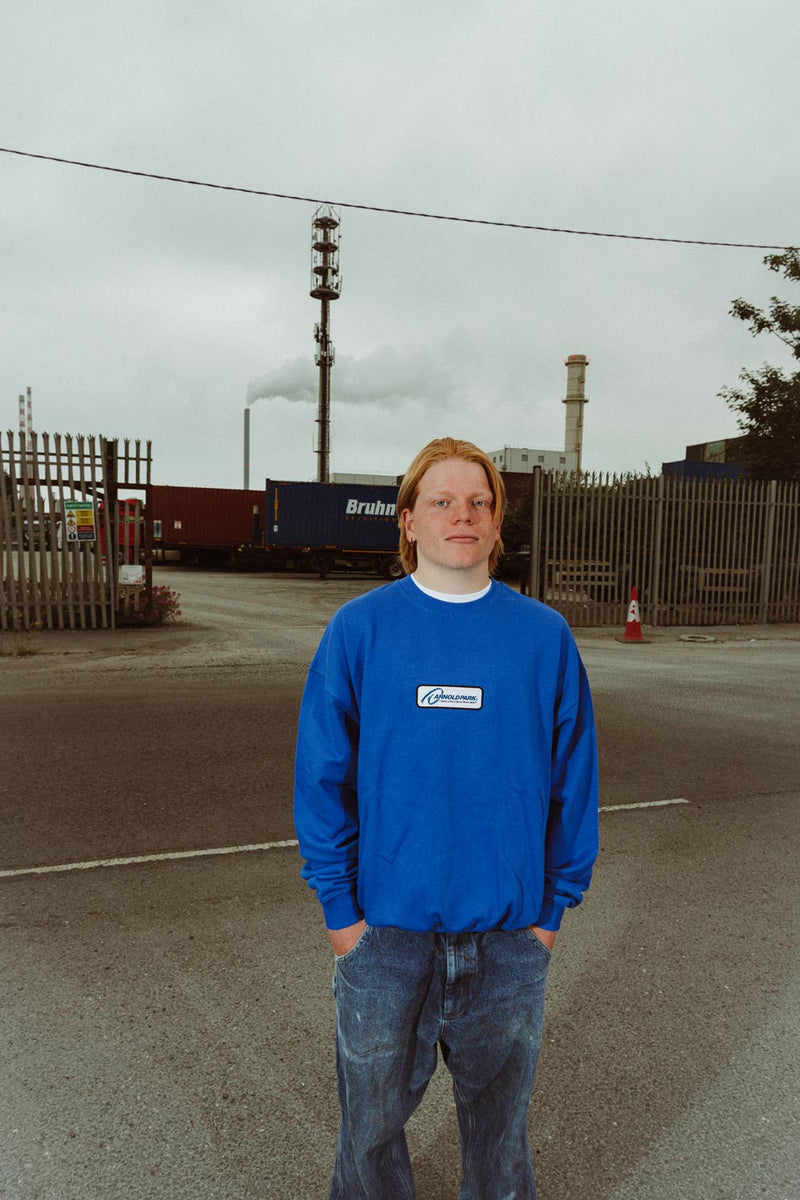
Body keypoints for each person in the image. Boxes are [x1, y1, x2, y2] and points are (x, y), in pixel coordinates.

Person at [294, 436, 599, 1199]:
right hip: (385, 939)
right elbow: (321, 777)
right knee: (368, 1138)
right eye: (441, 500)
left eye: (479, 502)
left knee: (499, 1147)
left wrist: (552, 911)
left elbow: (575, 782)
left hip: (510, 940)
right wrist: (343, 917)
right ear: (408, 521)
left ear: (498, 526)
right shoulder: (359, 631)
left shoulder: (543, 638)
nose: (462, 514)